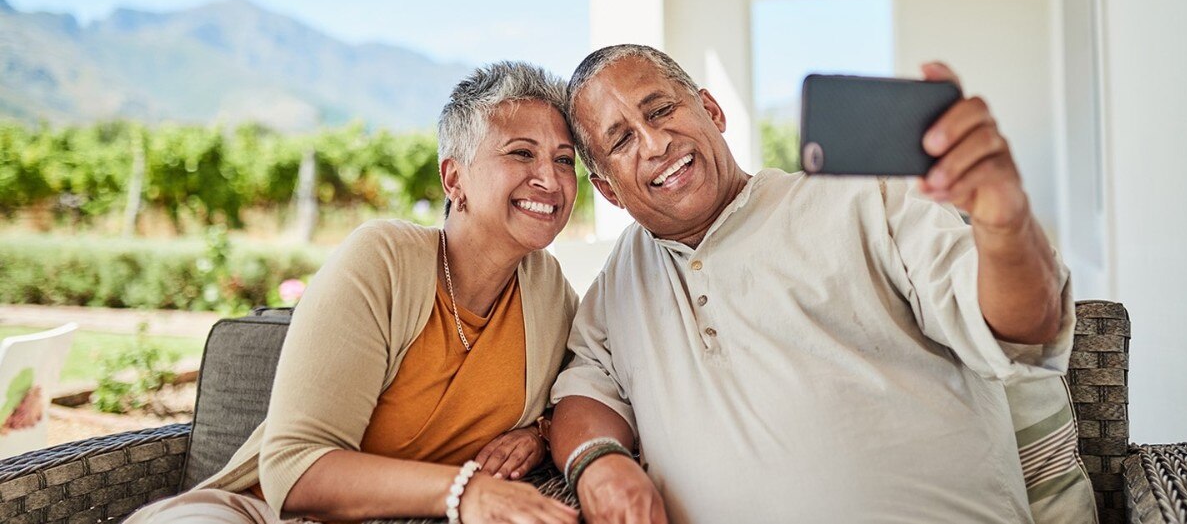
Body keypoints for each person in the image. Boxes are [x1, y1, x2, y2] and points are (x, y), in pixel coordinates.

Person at [548, 44, 1087, 523]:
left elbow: (1022, 327)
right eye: (621, 141)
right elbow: (582, 391)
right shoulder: (620, 280)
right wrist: (599, 464)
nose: (655, 142)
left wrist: (1005, 223)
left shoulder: (862, 196)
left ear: (711, 111)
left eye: (662, 109)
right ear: (609, 191)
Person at [126, 61, 581, 524]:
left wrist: (539, 435)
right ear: (453, 179)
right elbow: (293, 470)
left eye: (564, 159)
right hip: (258, 513)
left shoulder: (551, 295)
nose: (550, 177)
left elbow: (593, 395)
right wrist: (466, 492)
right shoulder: (384, 258)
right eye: (522, 153)